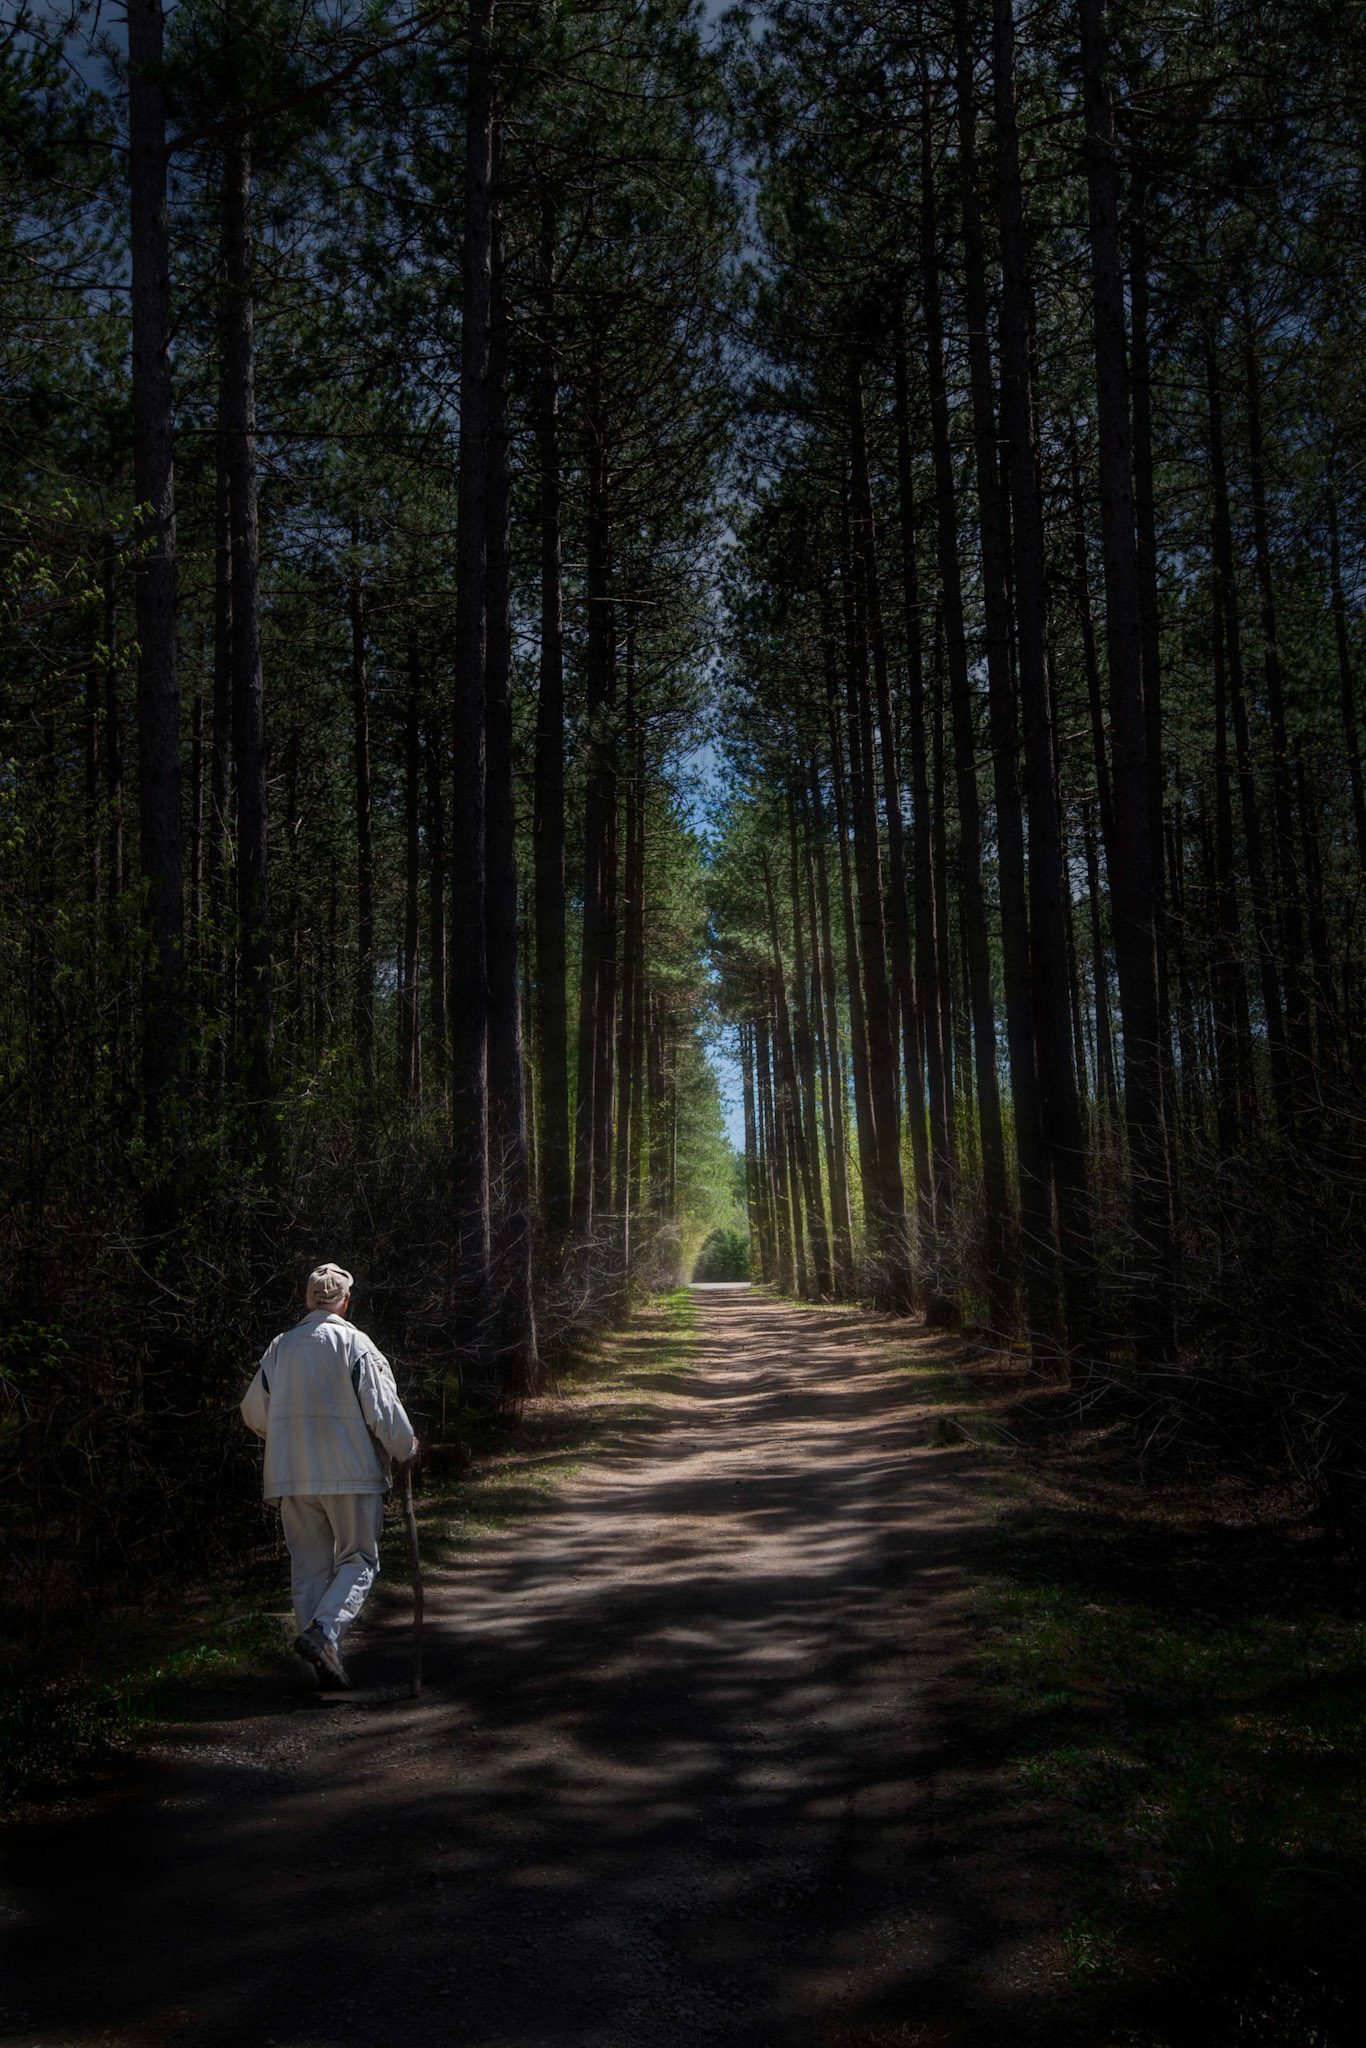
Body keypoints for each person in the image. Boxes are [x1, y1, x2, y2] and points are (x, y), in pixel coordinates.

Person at [241, 1263, 417, 1688]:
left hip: (293, 1476)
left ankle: (323, 1659)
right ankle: (324, 1633)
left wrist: (285, 1438)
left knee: (309, 1569)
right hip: (351, 1474)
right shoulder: (355, 1343)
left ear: (307, 1300)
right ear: (345, 1301)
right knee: (359, 1559)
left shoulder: (280, 1349)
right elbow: (382, 1408)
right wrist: (406, 1448)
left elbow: (252, 1412)